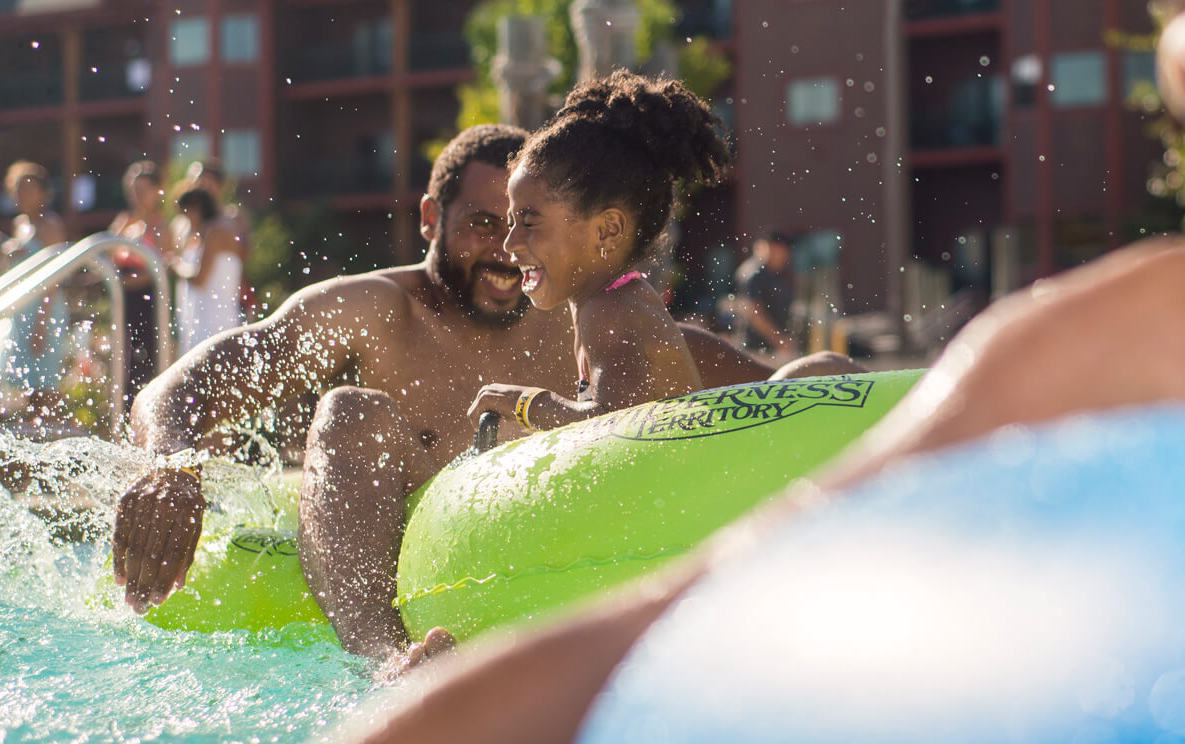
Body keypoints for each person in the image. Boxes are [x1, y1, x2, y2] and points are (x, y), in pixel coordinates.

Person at [341, 237, 1185, 744]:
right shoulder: (1095, 344)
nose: (514, 249)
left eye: (529, 223)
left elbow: (661, 618)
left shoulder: (1100, 345)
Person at [112, 125, 862, 660]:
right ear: (430, 219)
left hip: (540, 575)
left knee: (811, 380)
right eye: (482, 225)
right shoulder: (370, 312)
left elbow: (779, 400)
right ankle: (386, 660)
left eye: (525, 227)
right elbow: (186, 387)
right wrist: (175, 467)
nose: (507, 252)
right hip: (389, 570)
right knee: (352, 411)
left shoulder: (585, 317)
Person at [468, 72, 724, 430]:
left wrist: (524, 403)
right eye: (511, 221)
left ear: (607, 230)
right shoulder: (614, 300)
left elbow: (615, 428)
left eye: (528, 222)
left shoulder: (608, 310)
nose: (510, 243)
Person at [0, 161, 70, 428]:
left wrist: (42, 324)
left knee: (47, 386)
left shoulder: (51, 224)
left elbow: (54, 279)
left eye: (30, 189)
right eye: (19, 189)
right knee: (26, 388)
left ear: (43, 193)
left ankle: (57, 442)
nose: (24, 195)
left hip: (44, 309)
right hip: (22, 310)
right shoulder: (19, 224)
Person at [109, 160, 169, 407]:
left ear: (156, 191)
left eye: (144, 189)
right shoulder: (124, 223)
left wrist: (128, 282)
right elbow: (108, 255)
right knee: (124, 365)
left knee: (147, 363)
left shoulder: (162, 226)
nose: (138, 195)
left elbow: (161, 269)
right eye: (134, 189)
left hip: (149, 302)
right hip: (125, 303)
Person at [171, 188, 244, 355]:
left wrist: (176, 265)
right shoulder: (205, 233)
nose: (186, 221)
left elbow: (200, 278)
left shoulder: (215, 232)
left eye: (186, 214)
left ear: (196, 208)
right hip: (202, 315)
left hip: (214, 317)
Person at [734, 232, 795, 361]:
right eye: (780, 251)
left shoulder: (776, 274)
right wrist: (780, 340)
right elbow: (754, 313)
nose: (784, 256)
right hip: (757, 350)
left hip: (772, 348)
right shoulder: (755, 274)